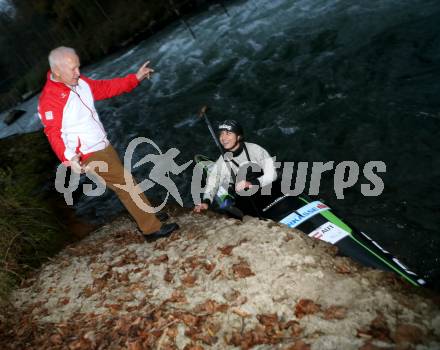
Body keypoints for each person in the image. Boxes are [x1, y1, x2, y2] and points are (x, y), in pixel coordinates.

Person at [38, 46, 178, 241]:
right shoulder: (49, 101)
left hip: (101, 144)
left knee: (125, 181)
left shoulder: (79, 81)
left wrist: (134, 78)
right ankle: (151, 229)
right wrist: (69, 158)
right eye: (73, 69)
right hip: (87, 153)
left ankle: (147, 214)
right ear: (56, 72)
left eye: (78, 67)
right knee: (125, 184)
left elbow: (105, 88)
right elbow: (53, 133)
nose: (78, 73)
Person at [193, 120, 277, 216]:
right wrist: (206, 202)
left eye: (228, 133)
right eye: (221, 134)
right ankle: (226, 193)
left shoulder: (255, 150)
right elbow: (212, 184)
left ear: (239, 136)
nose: (223, 138)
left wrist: (252, 183)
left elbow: (272, 174)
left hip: (266, 186)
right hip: (244, 198)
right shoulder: (222, 161)